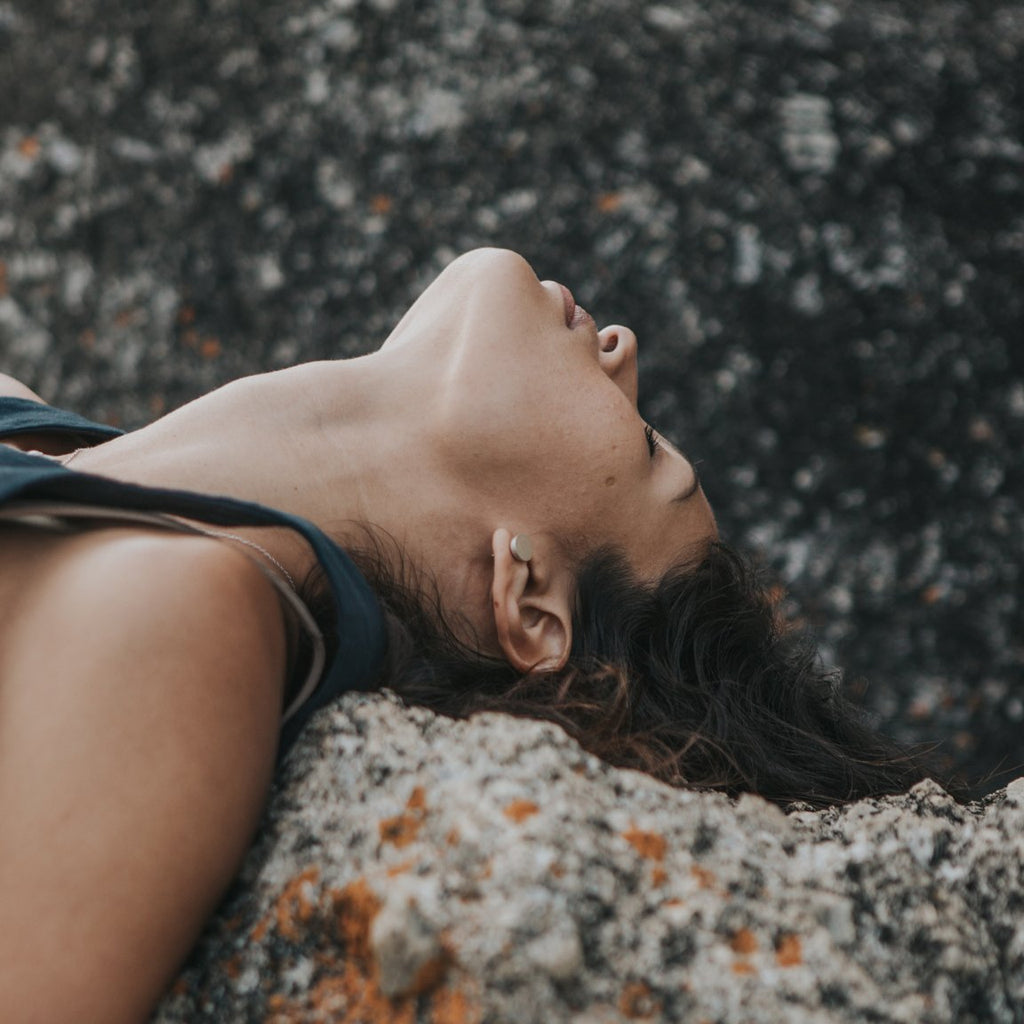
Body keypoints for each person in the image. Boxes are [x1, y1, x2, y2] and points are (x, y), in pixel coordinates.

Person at [0, 248, 940, 1022]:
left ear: (528, 600)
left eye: (648, 443)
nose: (623, 345)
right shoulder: (34, 437)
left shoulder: (178, 620)